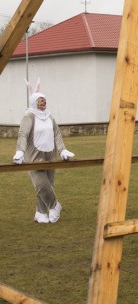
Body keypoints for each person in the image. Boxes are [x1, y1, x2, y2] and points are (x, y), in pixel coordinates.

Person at [12, 79, 75, 224]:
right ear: (34, 101)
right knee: (41, 184)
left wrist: (62, 150)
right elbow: (23, 134)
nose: (44, 102)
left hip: (50, 155)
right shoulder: (29, 116)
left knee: (48, 184)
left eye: (44, 100)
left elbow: (57, 134)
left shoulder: (49, 116)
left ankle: (40, 213)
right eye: (40, 100)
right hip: (34, 156)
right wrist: (20, 151)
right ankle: (54, 206)